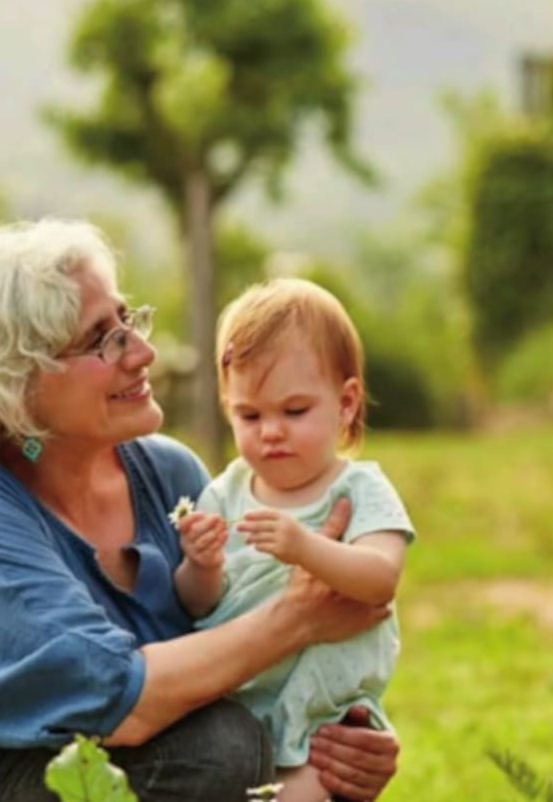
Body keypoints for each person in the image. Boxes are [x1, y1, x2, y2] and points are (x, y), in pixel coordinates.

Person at [0, 219, 399, 801]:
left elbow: (230, 652)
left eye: (127, 321)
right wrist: (300, 617)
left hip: (137, 760)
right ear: (5, 383)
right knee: (217, 748)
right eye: (100, 339)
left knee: (235, 746)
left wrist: (338, 738)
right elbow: (118, 701)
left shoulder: (169, 475)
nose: (142, 352)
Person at [175, 278, 413, 802]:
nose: (271, 432)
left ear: (346, 403)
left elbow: (380, 579)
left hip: (321, 716)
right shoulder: (227, 491)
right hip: (238, 703)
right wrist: (202, 564)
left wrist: (305, 547)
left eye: (294, 411)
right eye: (250, 415)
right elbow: (198, 604)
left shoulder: (357, 488)